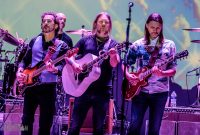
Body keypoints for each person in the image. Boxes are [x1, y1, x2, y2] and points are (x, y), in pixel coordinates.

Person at [66, 12, 120, 135]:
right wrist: (75, 65)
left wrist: (112, 56)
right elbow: (69, 56)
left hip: (102, 90)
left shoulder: (113, 44)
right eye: (101, 21)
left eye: (106, 22)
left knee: (99, 128)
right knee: (74, 126)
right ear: (96, 23)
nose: (103, 24)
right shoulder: (85, 40)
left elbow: (114, 64)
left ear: (110, 26)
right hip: (83, 88)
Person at [16, 11, 69, 135]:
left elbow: (63, 67)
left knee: (45, 124)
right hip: (30, 88)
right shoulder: (35, 40)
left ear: (56, 26)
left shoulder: (62, 46)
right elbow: (25, 60)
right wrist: (20, 70)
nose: (45, 23)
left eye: (49, 21)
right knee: (25, 121)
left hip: (48, 89)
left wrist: (55, 69)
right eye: (44, 21)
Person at [125, 13, 176, 135]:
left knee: (154, 129)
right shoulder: (137, 45)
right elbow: (125, 63)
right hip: (140, 92)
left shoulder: (169, 45)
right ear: (147, 26)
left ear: (162, 27)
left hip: (160, 93)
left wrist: (162, 73)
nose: (155, 30)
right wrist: (127, 75)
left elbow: (173, 69)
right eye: (152, 27)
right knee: (134, 127)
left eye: (158, 27)